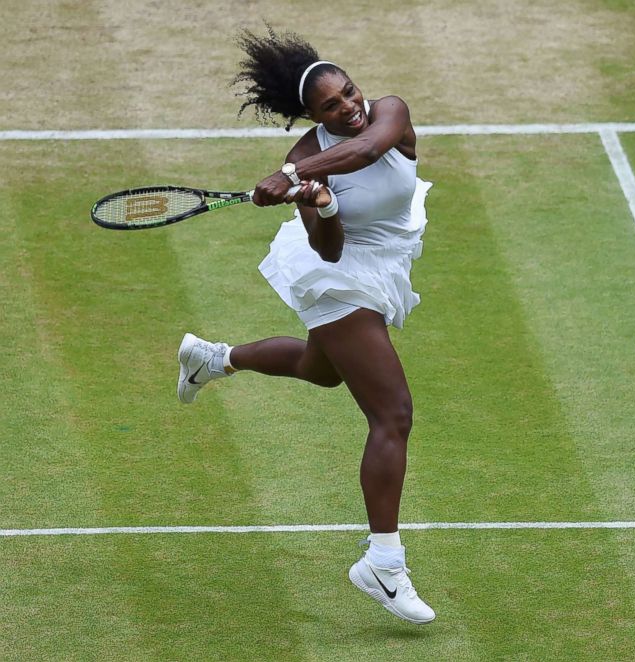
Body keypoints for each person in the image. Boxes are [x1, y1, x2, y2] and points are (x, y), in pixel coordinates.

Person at [175, 26, 435, 625]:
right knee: (392, 414)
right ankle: (383, 562)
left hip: (387, 256)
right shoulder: (301, 161)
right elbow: (329, 250)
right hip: (342, 270)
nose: (350, 106)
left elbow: (370, 150)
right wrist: (319, 202)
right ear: (308, 115)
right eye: (331, 106)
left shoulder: (389, 113)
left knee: (320, 370)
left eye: (349, 92)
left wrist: (296, 179)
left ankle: (215, 358)